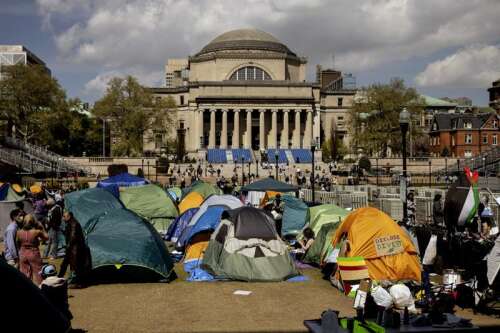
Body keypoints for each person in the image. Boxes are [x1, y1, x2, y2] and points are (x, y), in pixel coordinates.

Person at [59, 211, 91, 288]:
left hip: (74, 250)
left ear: (69, 216)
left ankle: (80, 283)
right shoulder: (70, 223)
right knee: (65, 264)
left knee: (77, 267)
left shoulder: (74, 223)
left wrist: (69, 245)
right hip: (72, 249)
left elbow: (73, 235)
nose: (63, 218)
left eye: (64, 216)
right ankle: (59, 278)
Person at [17, 214, 48, 285]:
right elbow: (46, 237)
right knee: (38, 273)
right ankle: (41, 289)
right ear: (33, 222)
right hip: (33, 253)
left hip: (23, 253)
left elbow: (18, 243)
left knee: (25, 274)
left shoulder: (19, 232)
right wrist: (42, 227)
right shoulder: (36, 232)